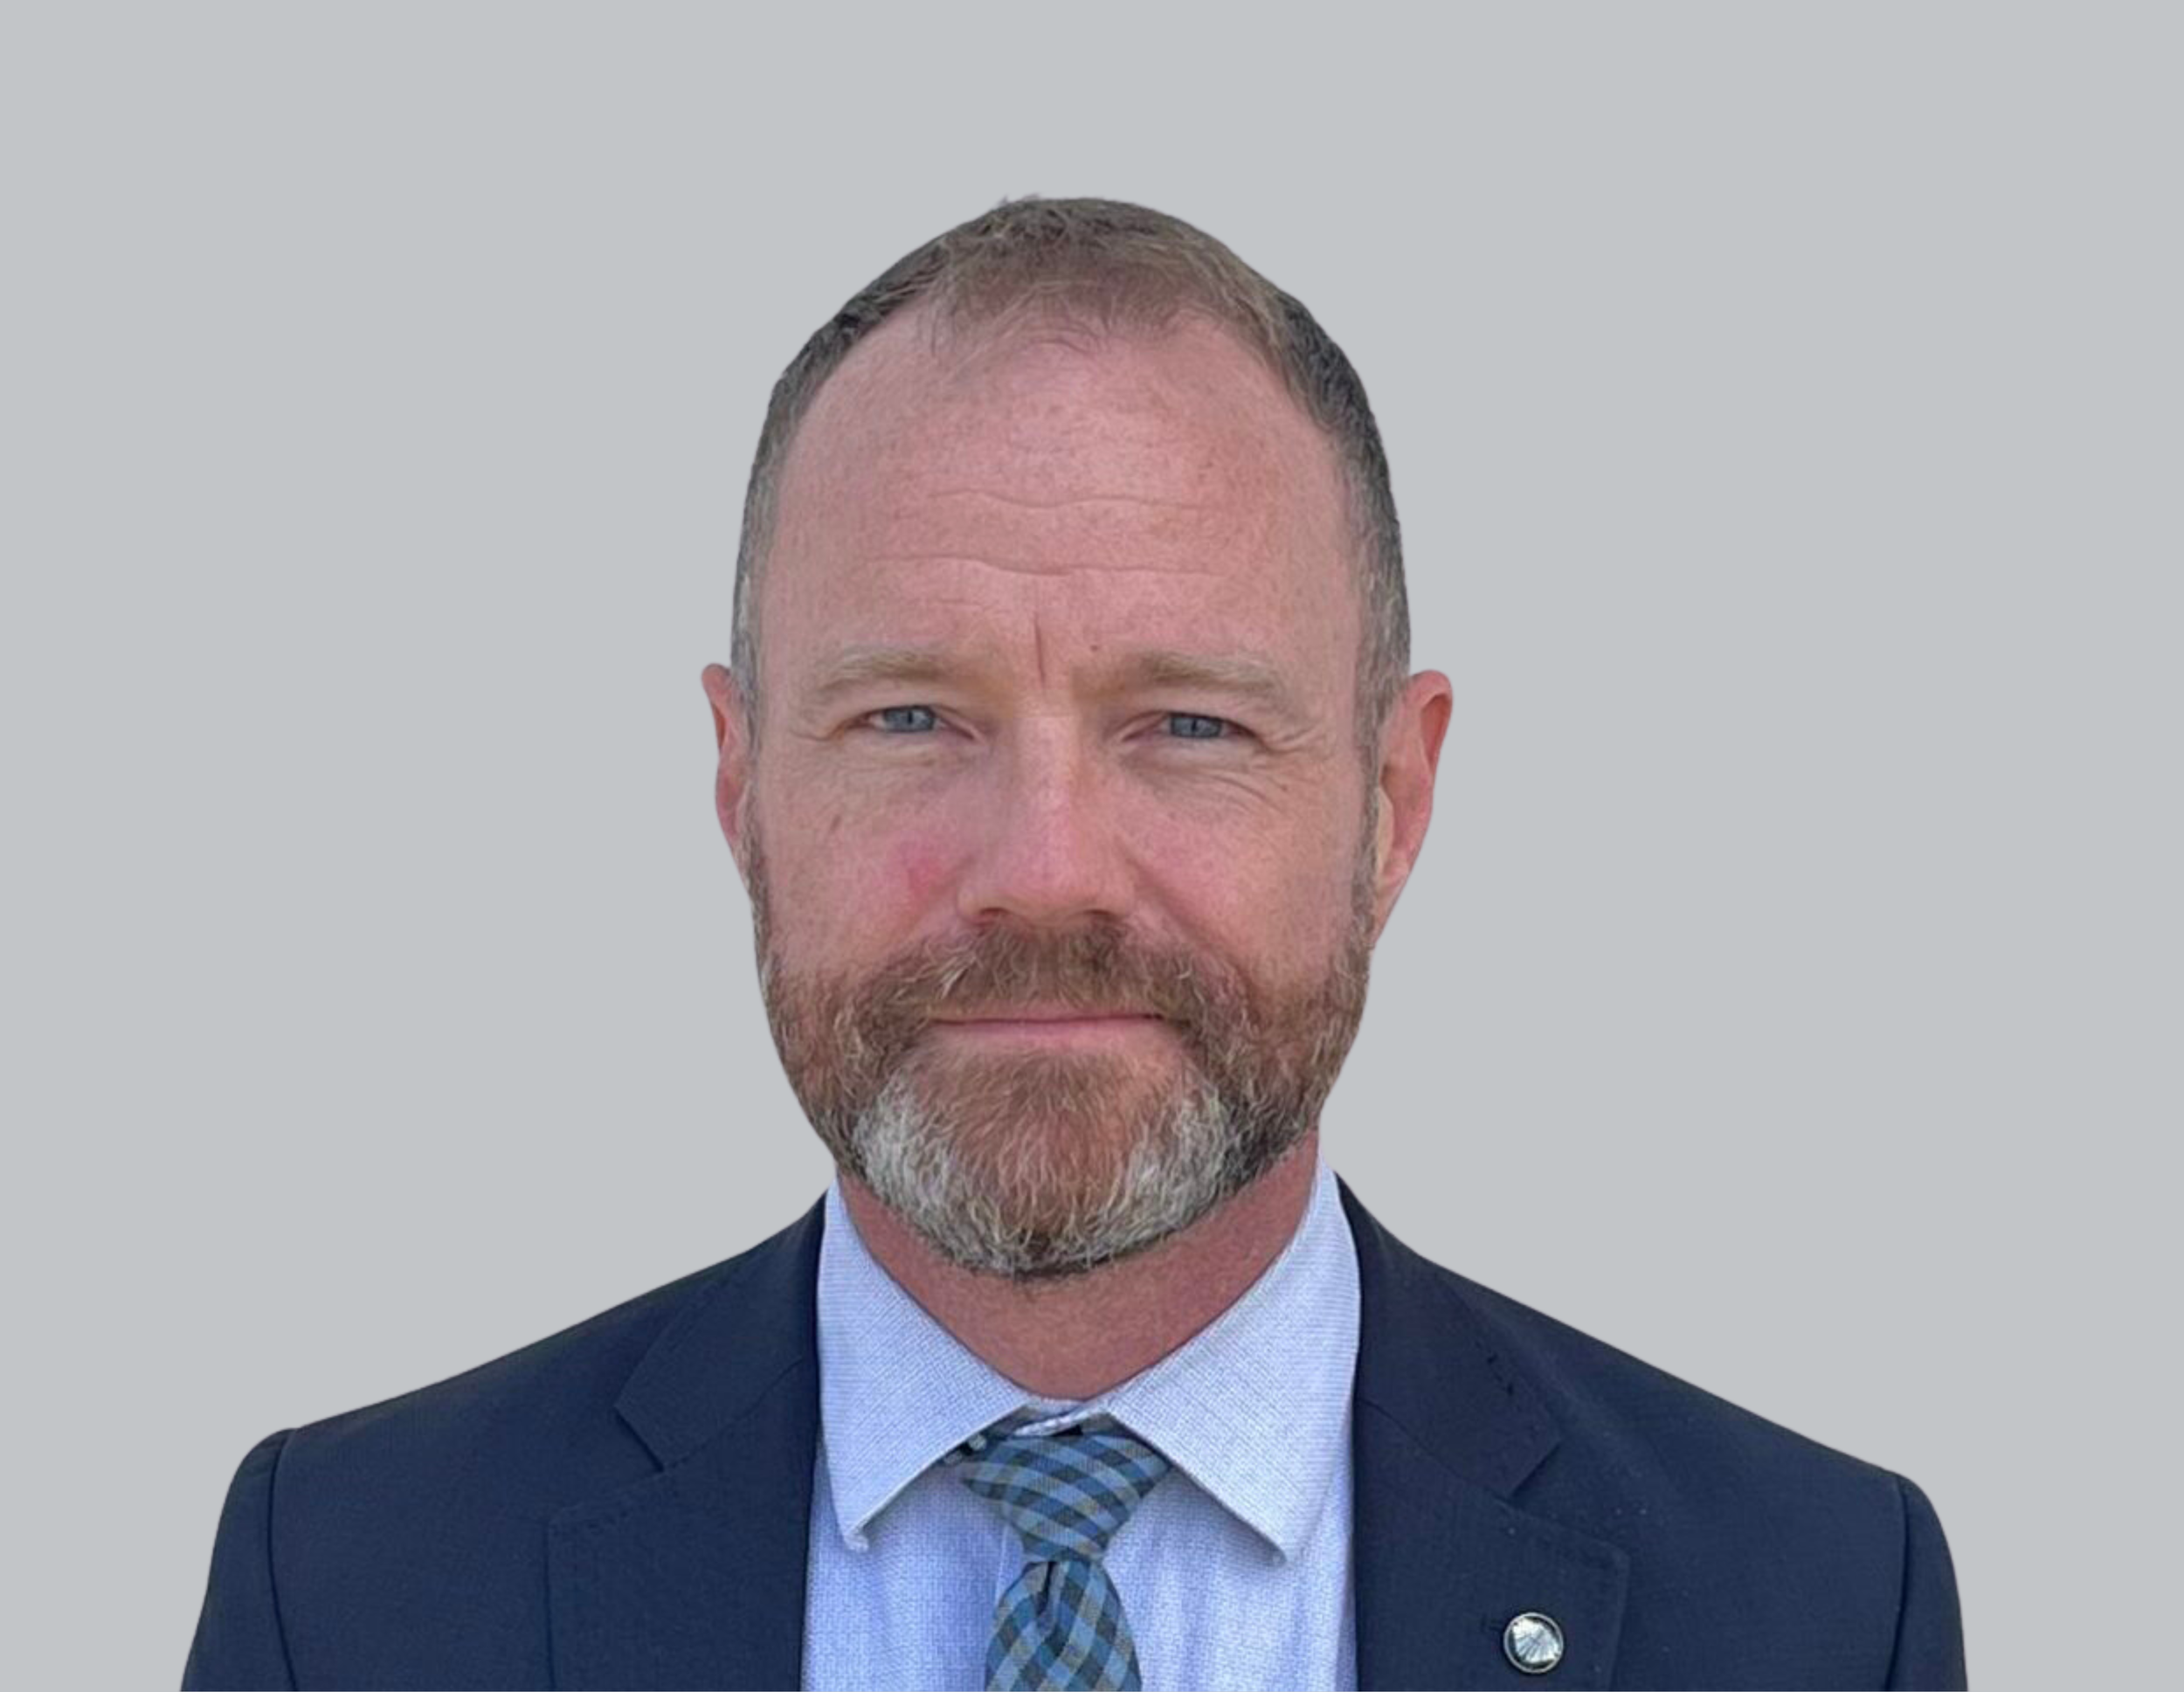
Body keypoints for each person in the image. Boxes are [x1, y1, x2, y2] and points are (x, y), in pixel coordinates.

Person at [182, 197, 1966, 1691]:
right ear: (741, 783)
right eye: (907, 718)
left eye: (1187, 724)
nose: (1043, 873)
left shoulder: (1813, 1611)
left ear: (1390, 800)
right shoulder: (346, 1590)